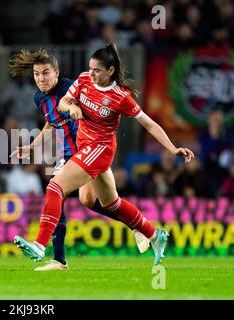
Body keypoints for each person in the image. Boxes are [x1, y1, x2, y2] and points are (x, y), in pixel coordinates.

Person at [13, 44, 194, 266]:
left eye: (96, 70)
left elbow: (149, 124)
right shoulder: (83, 80)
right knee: (105, 202)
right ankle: (154, 235)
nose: (91, 73)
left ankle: (41, 247)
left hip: (98, 149)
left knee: (55, 187)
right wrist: (68, 109)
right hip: (83, 148)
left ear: (110, 71)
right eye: (90, 68)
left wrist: (173, 148)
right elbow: (60, 107)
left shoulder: (121, 97)